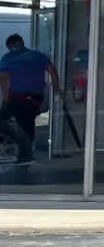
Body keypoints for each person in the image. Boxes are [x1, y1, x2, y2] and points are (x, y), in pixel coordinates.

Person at [0, 33, 61, 166]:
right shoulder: (39, 56)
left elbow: (4, 79)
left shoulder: (8, 58)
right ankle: (25, 153)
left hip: (17, 97)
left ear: (11, 46)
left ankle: (25, 155)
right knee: (26, 122)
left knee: (8, 122)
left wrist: (5, 99)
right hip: (35, 97)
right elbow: (53, 72)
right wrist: (56, 90)